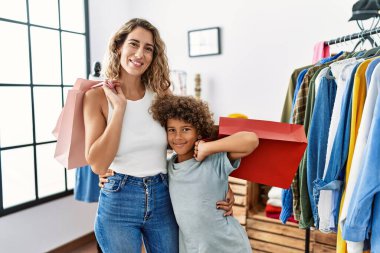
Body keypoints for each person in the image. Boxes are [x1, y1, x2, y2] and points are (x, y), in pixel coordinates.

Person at [83, 18, 235, 253]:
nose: (140, 54)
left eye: (148, 48)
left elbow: (188, 142)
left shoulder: (161, 94)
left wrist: (219, 182)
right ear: (118, 46)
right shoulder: (96, 97)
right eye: (133, 44)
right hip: (119, 200)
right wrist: (119, 110)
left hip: (164, 194)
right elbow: (98, 164)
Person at [150, 95, 259, 252]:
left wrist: (208, 148)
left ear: (199, 132)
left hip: (229, 247)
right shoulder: (167, 167)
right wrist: (110, 173)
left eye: (186, 129)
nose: (178, 137)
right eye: (171, 130)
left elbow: (251, 140)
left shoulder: (213, 161)